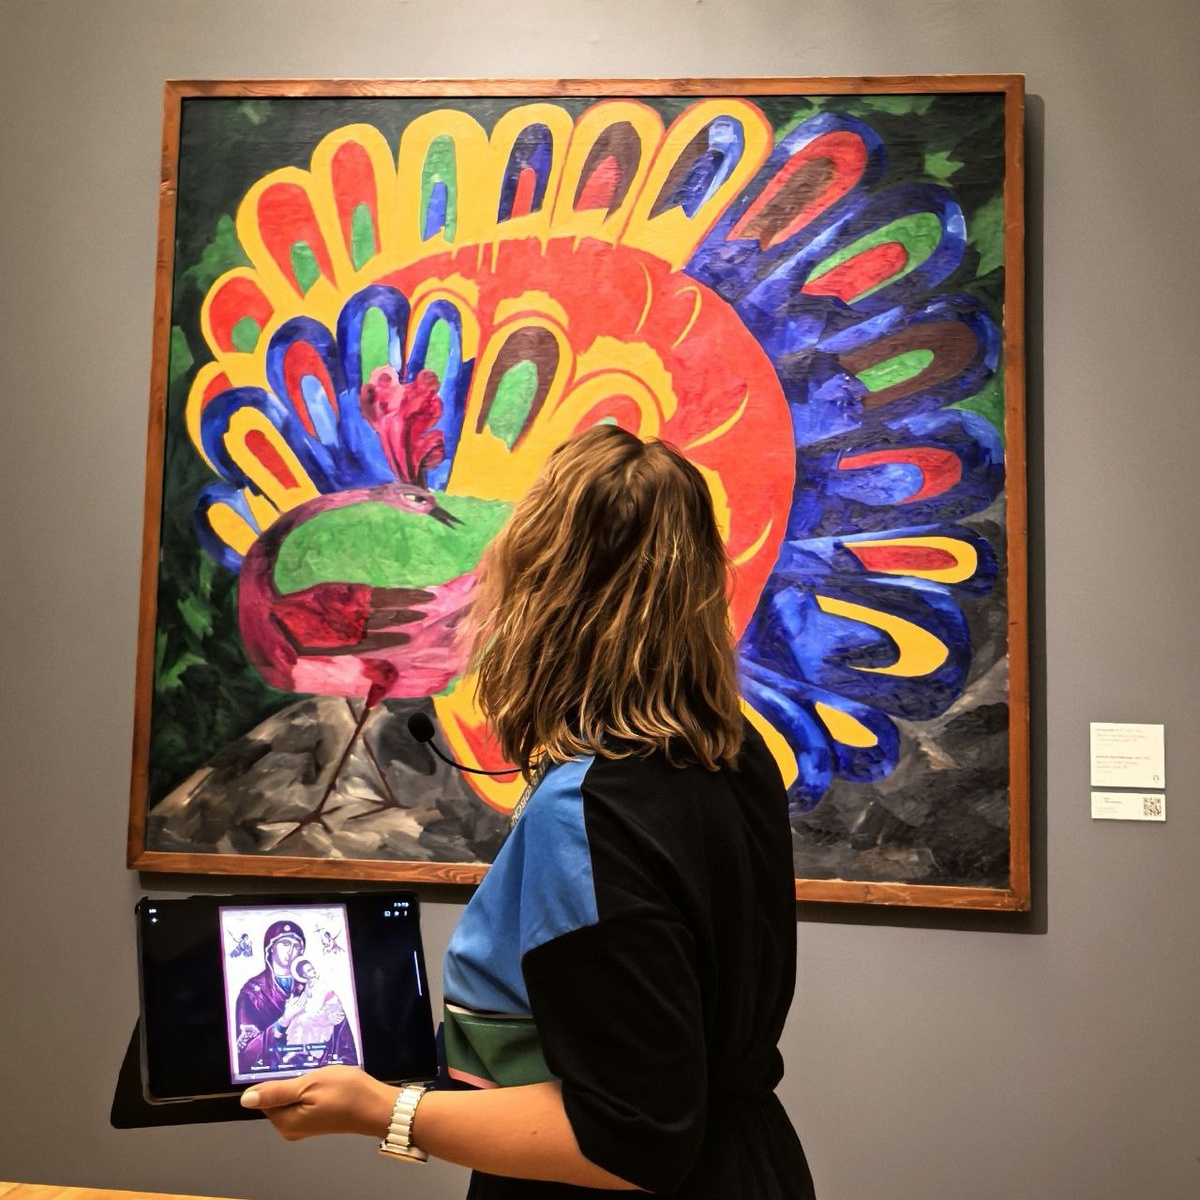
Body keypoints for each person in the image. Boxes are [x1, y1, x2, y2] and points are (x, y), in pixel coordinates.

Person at [241, 425, 816, 1198]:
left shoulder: (591, 809)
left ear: (536, 590)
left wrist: (383, 1111)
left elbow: (629, 1137)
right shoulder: (734, 755)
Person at [234, 920, 356, 1076]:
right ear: (270, 948)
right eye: (285, 943)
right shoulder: (252, 993)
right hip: (270, 1079)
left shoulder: (316, 987)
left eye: (297, 946)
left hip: (319, 1074)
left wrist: (335, 1019)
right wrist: (283, 1021)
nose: (291, 950)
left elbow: (344, 1046)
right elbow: (245, 1055)